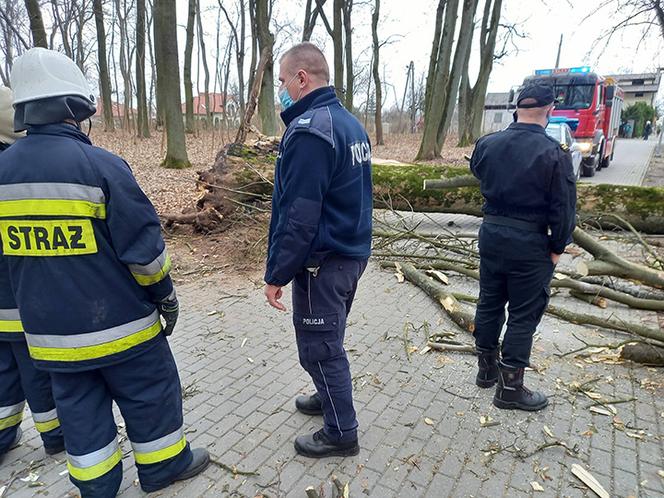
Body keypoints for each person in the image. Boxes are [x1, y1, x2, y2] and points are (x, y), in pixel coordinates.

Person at [0, 48, 209, 497]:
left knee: (80, 414)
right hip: (124, 331)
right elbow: (145, 253)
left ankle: (97, 488)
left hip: (52, 340)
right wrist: (165, 298)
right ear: (76, 108)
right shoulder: (101, 167)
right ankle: (163, 468)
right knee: (151, 395)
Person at [264, 42, 372, 458]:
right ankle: (324, 393)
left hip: (322, 262)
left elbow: (299, 216)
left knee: (321, 347)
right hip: (350, 254)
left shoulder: (311, 131)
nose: (281, 91)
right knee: (329, 334)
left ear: (301, 79)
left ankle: (341, 432)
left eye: (282, 82)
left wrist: (277, 272)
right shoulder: (349, 124)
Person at [470, 80, 577, 412]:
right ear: (549, 110)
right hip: (529, 242)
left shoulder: (487, 144)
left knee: (489, 302)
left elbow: (477, 169)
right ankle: (510, 389)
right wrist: (558, 248)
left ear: (517, 108)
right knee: (522, 313)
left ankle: (486, 370)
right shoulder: (554, 154)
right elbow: (564, 208)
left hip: (491, 234)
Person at [0, 86, 65, 465]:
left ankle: (4, 435)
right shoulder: (17, 168)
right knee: (35, 370)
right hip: (17, 296)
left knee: (4, 371)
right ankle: (55, 434)